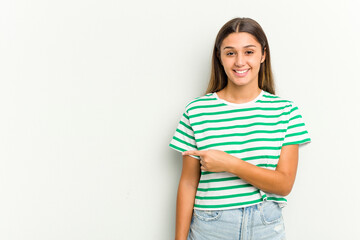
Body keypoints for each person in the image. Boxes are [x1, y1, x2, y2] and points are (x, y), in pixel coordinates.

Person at [169, 17, 310, 240]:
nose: (240, 62)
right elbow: (187, 183)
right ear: (220, 57)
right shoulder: (196, 110)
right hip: (210, 226)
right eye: (230, 53)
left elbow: (284, 184)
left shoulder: (286, 111)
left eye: (249, 52)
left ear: (263, 55)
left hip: (265, 226)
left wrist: (230, 164)